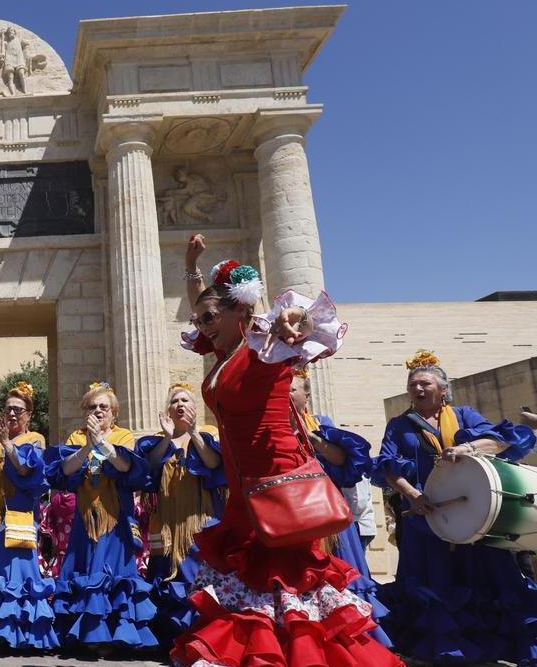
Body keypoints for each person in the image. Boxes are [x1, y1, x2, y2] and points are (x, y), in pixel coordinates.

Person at [171, 242, 400, 665]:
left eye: (208, 318)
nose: (201, 327)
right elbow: (203, 305)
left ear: (241, 312)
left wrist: (293, 322)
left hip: (277, 482)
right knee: (253, 587)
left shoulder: (264, 349)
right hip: (245, 491)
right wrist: (190, 267)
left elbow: (296, 326)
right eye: (197, 320)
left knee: (285, 583)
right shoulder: (224, 353)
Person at [374, 350, 537, 663]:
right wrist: (413, 496)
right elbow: (388, 468)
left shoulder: (464, 416)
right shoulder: (398, 425)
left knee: (487, 580)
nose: (418, 390)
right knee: (433, 583)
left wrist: (466, 447)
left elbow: (501, 441)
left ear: (443, 390)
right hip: (425, 520)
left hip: (475, 517)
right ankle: (443, 651)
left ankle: (497, 648)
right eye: (413, 386)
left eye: (425, 384)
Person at [45, 382, 156, 650]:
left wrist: (102, 443)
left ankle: (116, 636)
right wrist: (87, 446)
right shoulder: (76, 437)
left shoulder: (123, 436)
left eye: (103, 407)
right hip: (85, 518)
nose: (97, 411)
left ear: (114, 413)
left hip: (115, 518)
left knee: (114, 572)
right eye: (92, 407)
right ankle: (85, 635)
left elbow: (126, 465)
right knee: (84, 568)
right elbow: (66, 470)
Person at [290, 368, 391, 648]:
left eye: (292, 388)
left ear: (306, 396)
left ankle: (348, 639)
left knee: (337, 575)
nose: (286, 393)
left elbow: (342, 461)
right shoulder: (272, 428)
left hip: (328, 516)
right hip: (292, 517)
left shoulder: (321, 424)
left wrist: (309, 436)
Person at [0, 382, 58, 650]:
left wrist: (6, 445)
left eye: (18, 409)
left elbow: (28, 470)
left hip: (21, 513)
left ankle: (24, 631)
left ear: (29, 414)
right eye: (8, 409)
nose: (13, 414)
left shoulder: (35, 439)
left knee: (20, 568)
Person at [137, 382, 226, 648]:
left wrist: (194, 432)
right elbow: (149, 467)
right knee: (165, 574)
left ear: (195, 408)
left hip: (198, 522)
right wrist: (167, 438)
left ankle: (202, 638)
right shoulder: (158, 439)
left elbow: (212, 463)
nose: (180, 404)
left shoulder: (207, 435)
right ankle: (171, 638)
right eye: (175, 400)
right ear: (168, 409)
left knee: (197, 574)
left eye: (185, 400)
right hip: (166, 524)